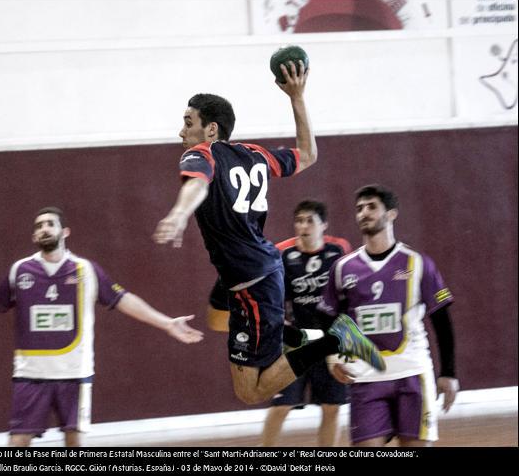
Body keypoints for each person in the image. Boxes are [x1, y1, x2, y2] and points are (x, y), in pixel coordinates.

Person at [152, 61, 385, 405]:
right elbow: (308, 155)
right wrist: (297, 97)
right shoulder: (255, 154)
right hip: (253, 271)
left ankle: (332, 340)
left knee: (251, 390)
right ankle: (313, 336)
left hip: (252, 281)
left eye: (188, 123)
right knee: (216, 317)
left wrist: (179, 213)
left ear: (211, 130)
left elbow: (197, 185)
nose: (181, 132)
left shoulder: (200, 154)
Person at [0, 207, 203, 447]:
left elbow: (123, 300)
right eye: (38, 226)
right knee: (18, 441)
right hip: (30, 374)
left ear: (65, 232)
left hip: (75, 374)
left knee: (74, 442)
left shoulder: (86, 270)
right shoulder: (20, 270)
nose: (43, 229)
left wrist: (166, 323)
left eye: (49, 224)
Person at [318, 185, 460, 447]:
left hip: (413, 373)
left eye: (372, 207)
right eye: (359, 208)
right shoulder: (343, 268)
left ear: (391, 214)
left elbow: (442, 320)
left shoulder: (417, 263)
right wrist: (333, 357)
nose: (364, 213)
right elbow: (328, 317)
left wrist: (448, 372)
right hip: (366, 378)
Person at [262, 200, 352, 447]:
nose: (303, 226)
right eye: (299, 221)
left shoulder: (339, 250)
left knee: (332, 407)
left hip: (330, 342)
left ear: (323, 225)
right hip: (296, 342)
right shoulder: (282, 253)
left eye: (310, 221)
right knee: (282, 404)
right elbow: (272, 297)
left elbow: (347, 296)